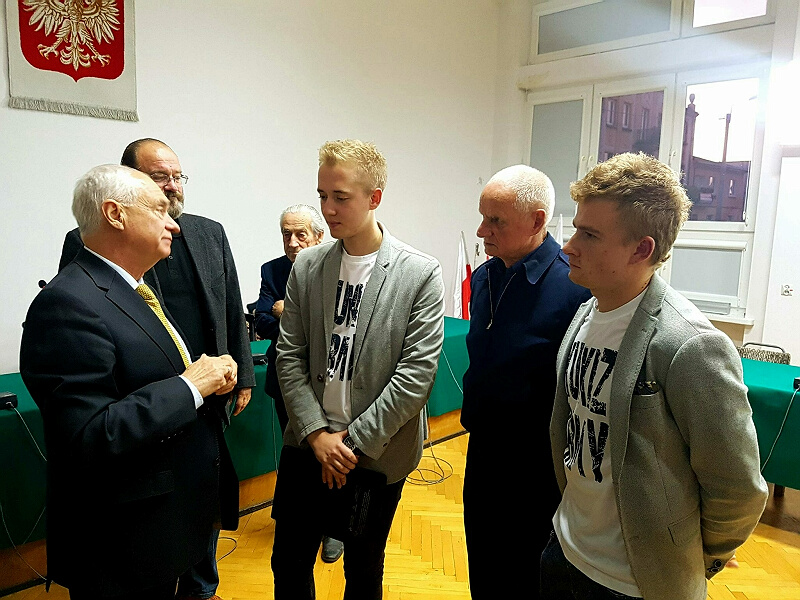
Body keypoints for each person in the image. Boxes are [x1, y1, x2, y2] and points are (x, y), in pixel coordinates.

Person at [543, 152, 769, 600]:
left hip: (635, 584)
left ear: (641, 249)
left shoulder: (691, 345)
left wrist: (692, 561)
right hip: (564, 549)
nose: (568, 246)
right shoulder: (585, 313)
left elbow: (738, 488)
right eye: (576, 229)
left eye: (589, 235)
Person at [20, 165, 240, 600]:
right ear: (115, 214)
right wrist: (191, 386)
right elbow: (89, 434)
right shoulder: (67, 303)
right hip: (121, 542)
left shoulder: (132, 290)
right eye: (159, 210)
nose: (174, 225)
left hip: (160, 527)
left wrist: (202, 379)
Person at [270, 139, 445, 599]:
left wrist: (349, 445)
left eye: (340, 197)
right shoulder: (308, 265)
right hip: (307, 445)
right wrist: (316, 435)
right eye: (322, 195)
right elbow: (289, 355)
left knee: (363, 571)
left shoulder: (419, 273)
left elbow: (416, 376)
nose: (327, 209)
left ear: (374, 198)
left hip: (375, 454)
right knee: (288, 563)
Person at [460, 165, 591, 599]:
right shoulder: (485, 277)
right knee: (483, 568)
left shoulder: (576, 287)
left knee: (528, 578)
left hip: (539, 468)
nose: (482, 231)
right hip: (483, 453)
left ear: (537, 221)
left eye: (495, 220)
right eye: (483, 217)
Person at [253, 203, 344, 563]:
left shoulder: (338, 267)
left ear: (319, 236)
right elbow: (262, 321)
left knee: (333, 454)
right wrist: (286, 316)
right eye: (286, 234)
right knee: (299, 452)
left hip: (331, 381)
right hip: (287, 381)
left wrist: (285, 309)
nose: (292, 242)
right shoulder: (272, 270)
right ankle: (305, 521)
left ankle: (333, 528)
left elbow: (334, 327)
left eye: (300, 234)